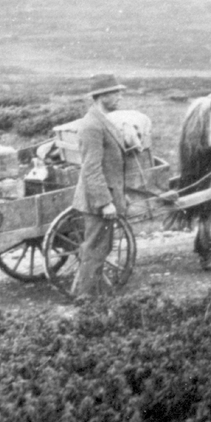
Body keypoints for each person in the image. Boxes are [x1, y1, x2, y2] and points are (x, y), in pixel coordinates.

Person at [71, 74, 130, 298]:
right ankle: (85, 299)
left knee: (101, 248)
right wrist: (105, 203)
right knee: (95, 249)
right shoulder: (92, 126)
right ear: (101, 96)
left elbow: (112, 167)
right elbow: (91, 168)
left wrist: (120, 196)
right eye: (115, 93)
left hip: (106, 195)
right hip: (96, 201)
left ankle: (97, 294)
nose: (120, 97)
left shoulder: (102, 120)